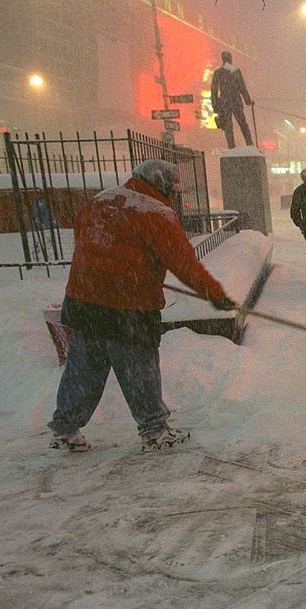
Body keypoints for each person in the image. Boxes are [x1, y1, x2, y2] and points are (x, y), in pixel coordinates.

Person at [48, 159, 237, 453]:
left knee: (83, 370)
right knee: (139, 372)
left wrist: (130, 265)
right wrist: (215, 294)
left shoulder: (101, 200)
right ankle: (154, 430)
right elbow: (184, 264)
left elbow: (90, 242)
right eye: (172, 189)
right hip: (128, 308)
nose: (173, 196)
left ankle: (65, 429)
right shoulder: (155, 213)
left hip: (84, 303)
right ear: (160, 183)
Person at [209, 51, 254, 149]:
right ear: (230, 59)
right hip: (236, 101)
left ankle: (231, 147)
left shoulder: (218, 73)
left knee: (228, 127)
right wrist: (248, 101)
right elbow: (242, 88)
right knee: (243, 124)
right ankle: (250, 144)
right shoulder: (236, 71)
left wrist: (215, 105)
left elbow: (214, 91)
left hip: (224, 103)